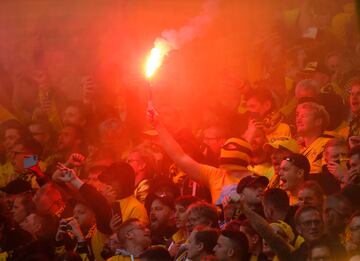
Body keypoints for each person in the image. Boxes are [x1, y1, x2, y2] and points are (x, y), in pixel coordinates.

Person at [147, 106, 253, 204]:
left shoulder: (257, 181)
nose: (224, 149)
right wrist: (158, 125)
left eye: (229, 147)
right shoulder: (215, 175)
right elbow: (180, 157)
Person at [296, 102, 332, 174]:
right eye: (297, 116)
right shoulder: (297, 148)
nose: (298, 120)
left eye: (304, 116)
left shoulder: (327, 145)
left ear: (318, 121)